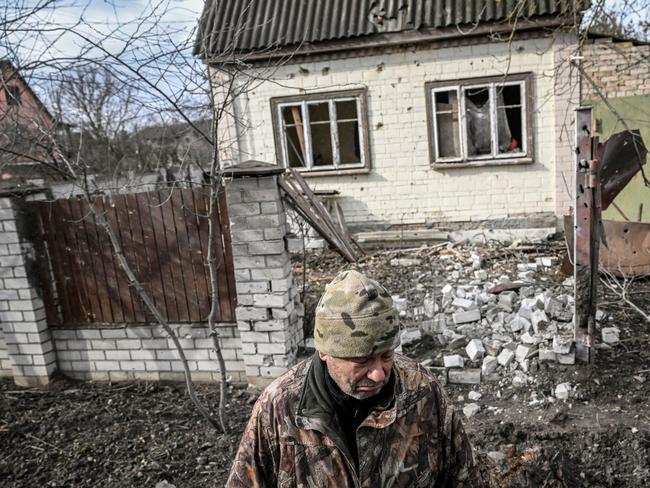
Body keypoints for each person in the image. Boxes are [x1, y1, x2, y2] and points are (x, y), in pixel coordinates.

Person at [226, 269, 484, 487]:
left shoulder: (423, 393)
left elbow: (464, 478)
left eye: (386, 356)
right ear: (325, 352)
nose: (378, 373)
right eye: (361, 360)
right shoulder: (278, 409)